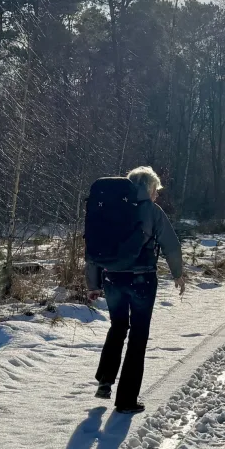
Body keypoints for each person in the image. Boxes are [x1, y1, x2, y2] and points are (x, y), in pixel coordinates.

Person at [86, 166, 186, 413]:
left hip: (112, 280)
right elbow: (170, 245)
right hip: (141, 280)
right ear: (151, 188)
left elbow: (95, 249)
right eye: (156, 191)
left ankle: (105, 380)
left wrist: (93, 284)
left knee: (117, 326)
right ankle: (127, 401)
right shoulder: (151, 211)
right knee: (138, 336)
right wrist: (178, 274)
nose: (157, 196)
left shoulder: (109, 208)